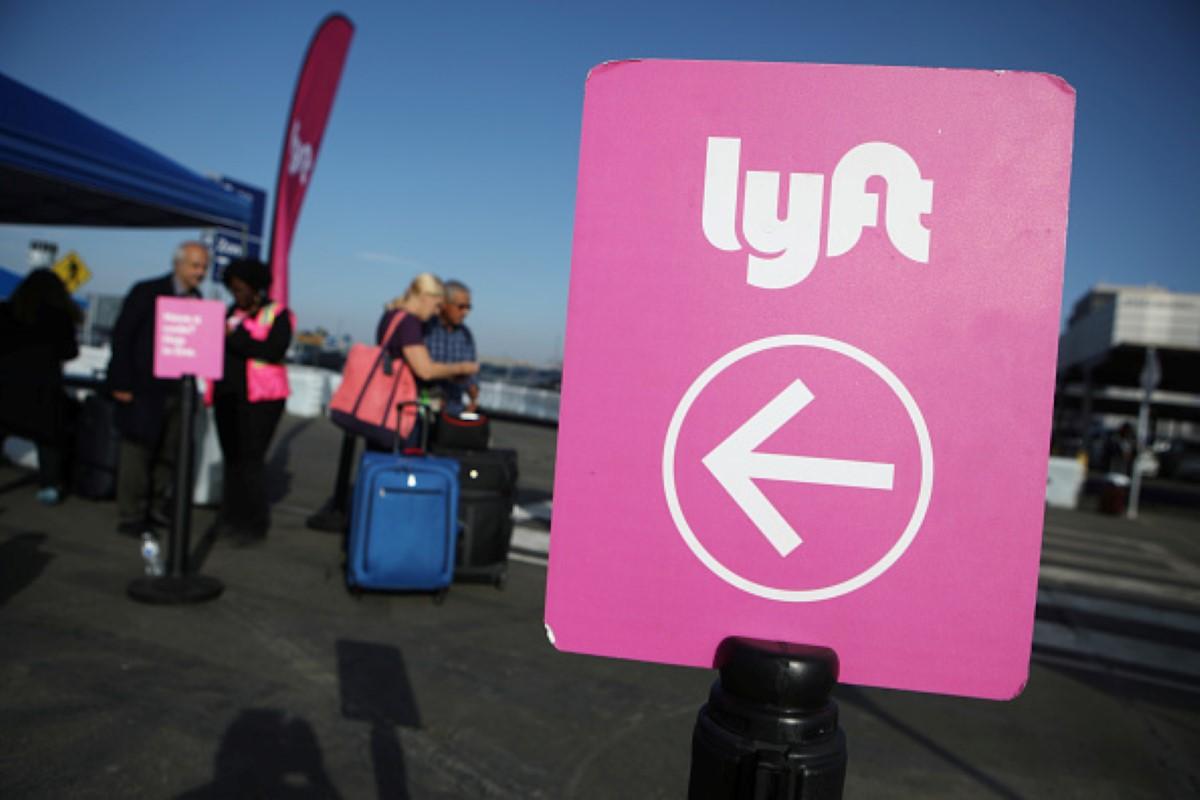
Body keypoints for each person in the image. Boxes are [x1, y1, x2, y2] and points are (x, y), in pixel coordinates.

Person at [108, 241, 208, 536]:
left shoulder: (198, 300)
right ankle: (131, 513)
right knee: (137, 450)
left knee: (169, 451)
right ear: (178, 264)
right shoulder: (147, 292)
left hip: (177, 391)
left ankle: (154, 506)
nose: (200, 272)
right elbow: (123, 336)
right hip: (143, 387)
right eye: (195, 265)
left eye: (203, 266)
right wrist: (121, 382)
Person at [211, 259, 293, 545]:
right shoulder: (230, 313)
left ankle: (254, 523)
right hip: (227, 395)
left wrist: (236, 338)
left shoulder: (278, 315)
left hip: (262, 399)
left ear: (256, 288)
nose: (238, 295)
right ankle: (230, 517)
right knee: (232, 459)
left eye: (242, 289)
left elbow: (272, 349)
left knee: (251, 459)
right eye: (233, 289)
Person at [0, 269, 81, 504]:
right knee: (49, 439)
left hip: (5, 384)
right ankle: (49, 485)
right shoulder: (59, 318)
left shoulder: (6, 311)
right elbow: (70, 351)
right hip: (42, 388)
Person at [377, 273, 479, 446]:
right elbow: (425, 370)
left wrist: (472, 392)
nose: (436, 311)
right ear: (426, 297)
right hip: (410, 409)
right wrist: (461, 369)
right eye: (437, 305)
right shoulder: (412, 323)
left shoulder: (393, 316)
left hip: (445, 412)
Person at [423, 279, 479, 415]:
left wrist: (473, 395)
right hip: (423, 408)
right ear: (444, 304)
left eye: (468, 307)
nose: (465, 312)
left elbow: (472, 376)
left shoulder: (465, 334)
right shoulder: (426, 328)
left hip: (454, 411)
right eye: (461, 307)